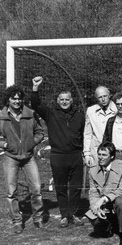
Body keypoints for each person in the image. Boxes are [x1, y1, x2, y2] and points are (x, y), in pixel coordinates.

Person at [0, 85, 45, 233]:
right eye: (14, 98)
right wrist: (5, 144)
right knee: (11, 192)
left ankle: (38, 218)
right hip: (10, 158)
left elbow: (40, 133)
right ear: (8, 99)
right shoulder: (0, 117)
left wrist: (33, 142)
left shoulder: (30, 114)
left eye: (19, 98)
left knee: (37, 188)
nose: (17, 101)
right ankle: (17, 221)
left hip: (28, 157)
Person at [31, 76, 85, 228]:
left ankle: (73, 214)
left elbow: (84, 134)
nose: (64, 102)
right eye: (61, 99)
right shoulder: (50, 113)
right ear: (57, 100)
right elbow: (36, 104)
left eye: (67, 99)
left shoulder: (80, 115)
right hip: (58, 156)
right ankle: (64, 215)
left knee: (75, 187)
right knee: (61, 187)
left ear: (71, 100)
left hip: (75, 155)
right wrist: (35, 88)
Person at [88, 142, 122, 245]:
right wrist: (96, 208)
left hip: (118, 200)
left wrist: (104, 199)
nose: (100, 158)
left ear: (111, 156)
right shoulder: (93, 170)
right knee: (97, 225)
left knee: (121, 202)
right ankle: (110, 223)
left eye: (104, 155)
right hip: (104, 204)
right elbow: (93, 193)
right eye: (99, 154)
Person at [83, 86, 117, 167]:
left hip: (113, 152)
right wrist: (87, 154)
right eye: (100, 97)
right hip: (96, 153)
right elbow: (88, 134)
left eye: (105, 96)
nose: (103, 99)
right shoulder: (91, 111)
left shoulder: (117, 109)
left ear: (109, 96)